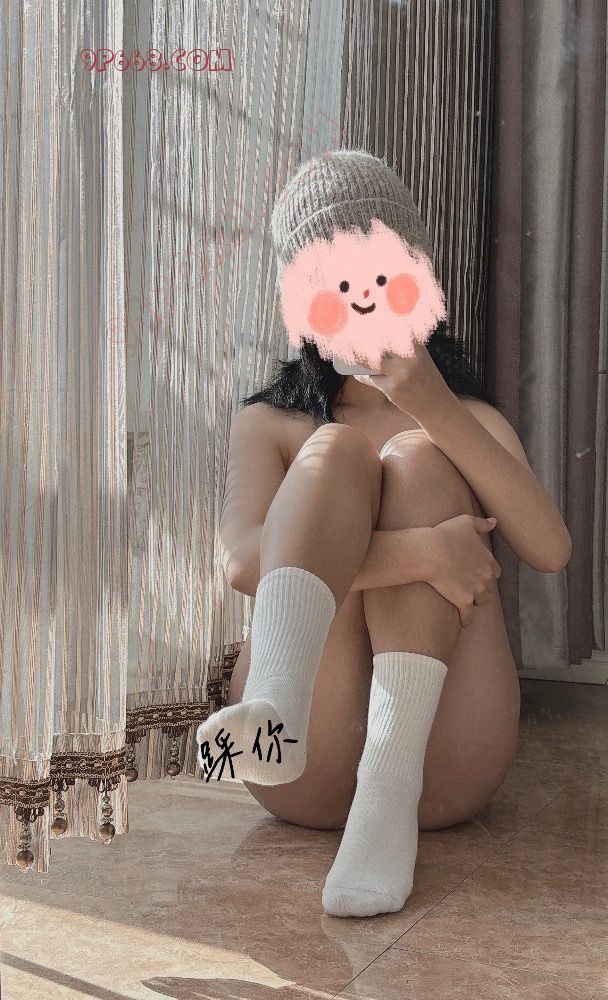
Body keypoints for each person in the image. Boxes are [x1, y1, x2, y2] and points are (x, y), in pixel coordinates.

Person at [196, 149, 572, 918]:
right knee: (334, 451)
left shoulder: (469, 419)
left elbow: (551, 548)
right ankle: (275, 708)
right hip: (301, 763)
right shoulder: (270, 422)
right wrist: (425, 553)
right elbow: (240, 561)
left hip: (446, 763)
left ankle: (388, 791)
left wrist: (434, 408)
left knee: (419, 459)